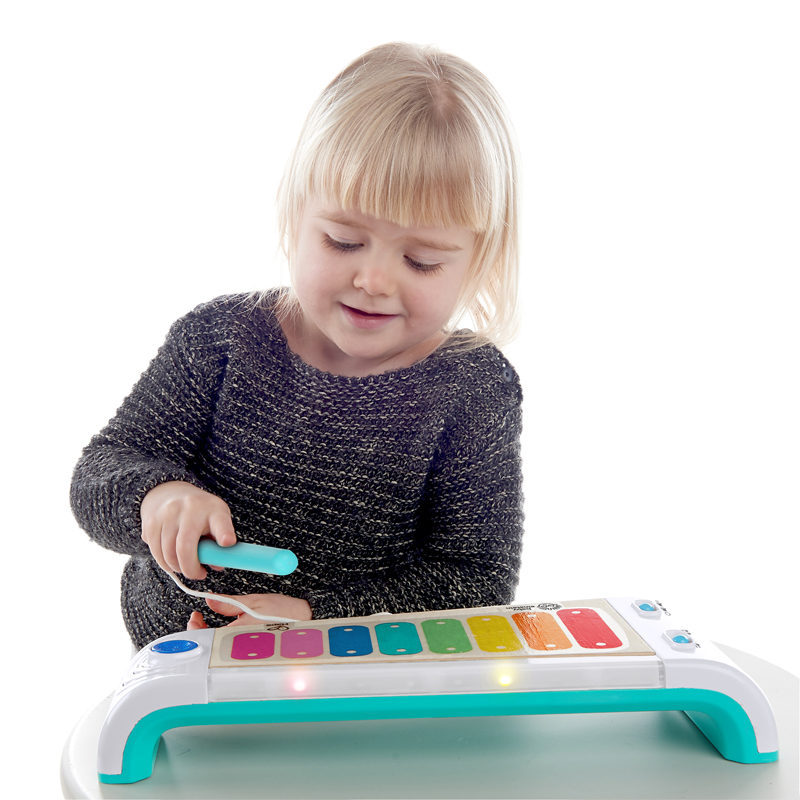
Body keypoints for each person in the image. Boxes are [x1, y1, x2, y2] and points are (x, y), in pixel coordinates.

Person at [70, 42, 525, 650]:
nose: (374, 280)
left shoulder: (471, 387)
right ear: (295, 214)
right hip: (176, 666)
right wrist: (157, 496)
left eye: (420, 261)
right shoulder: (220, 339)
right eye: (343, 241)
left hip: (353, 682)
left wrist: (322, 618)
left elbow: (475, 579)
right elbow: (100, 471)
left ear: (477, 260)